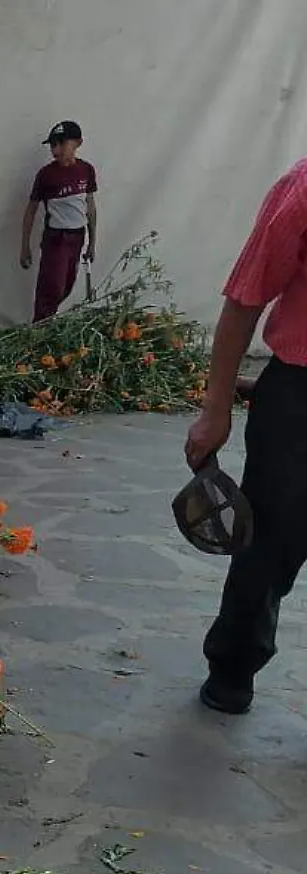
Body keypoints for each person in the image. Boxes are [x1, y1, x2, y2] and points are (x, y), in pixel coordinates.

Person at [183, 156, 307, 715]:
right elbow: (245, 298)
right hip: (299, 399)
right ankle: (232, 669)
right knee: (270, 545)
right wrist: (215, 407)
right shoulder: (304, 185)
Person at [21, 120, 98, 322]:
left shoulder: (86, 170)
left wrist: (92, 241)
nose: (56, 150)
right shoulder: (46, 175)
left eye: (62, 143)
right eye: (53, 145)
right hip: (57, 238)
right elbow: (31, 209)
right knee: (51, 286)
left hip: (77, 236)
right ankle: (39, 326)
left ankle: (48, 322)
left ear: (78, 143)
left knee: (66, 285)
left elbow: (89, 206)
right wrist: (25, 246)